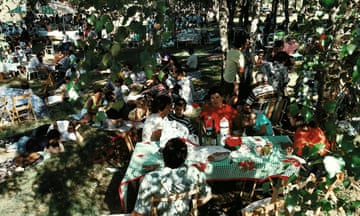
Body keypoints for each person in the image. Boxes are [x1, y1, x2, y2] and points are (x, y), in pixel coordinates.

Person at [131, 138, 212, 216]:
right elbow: (206, 197)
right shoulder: (194, 173)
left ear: (163, 156)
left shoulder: (150, 179)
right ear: (184, 157)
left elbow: (139, 213)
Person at [223, 31, 247, 106]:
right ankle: (230, 110)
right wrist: (242, 77)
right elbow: (241, 70)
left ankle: (226, 108)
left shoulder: (230, 51)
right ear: (242, 45)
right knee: (235, 95)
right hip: (233, 79)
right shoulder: (239, 55)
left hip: (226, 76)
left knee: (227, 96)